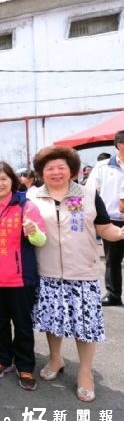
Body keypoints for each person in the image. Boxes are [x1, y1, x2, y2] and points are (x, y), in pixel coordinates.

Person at [30, 145, 124, 402]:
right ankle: (55, 359)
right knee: (53, 321)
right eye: (49, 168)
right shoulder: (32, 197)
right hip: (47, 272)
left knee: (85, 326)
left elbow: (105, 228)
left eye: (61, 167)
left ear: (72, 169)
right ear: (41, 172)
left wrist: (120, 232)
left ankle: (85, 372)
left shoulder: (89, 194)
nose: (56, 172)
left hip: (82, 272)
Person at [0, 162, 46, 391]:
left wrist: (33, 231)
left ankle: (25, 365)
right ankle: (2, 359)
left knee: (22, 323)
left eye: (3, 179)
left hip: (20, 278)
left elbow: (40, 240)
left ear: (12, 180)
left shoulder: (26, 206)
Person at [86, 130, 124, 306]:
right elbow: (90, 192)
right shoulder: (103, 167)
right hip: (112, 220)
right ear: (119, 145)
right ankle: (113, 294)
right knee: (112, 259)